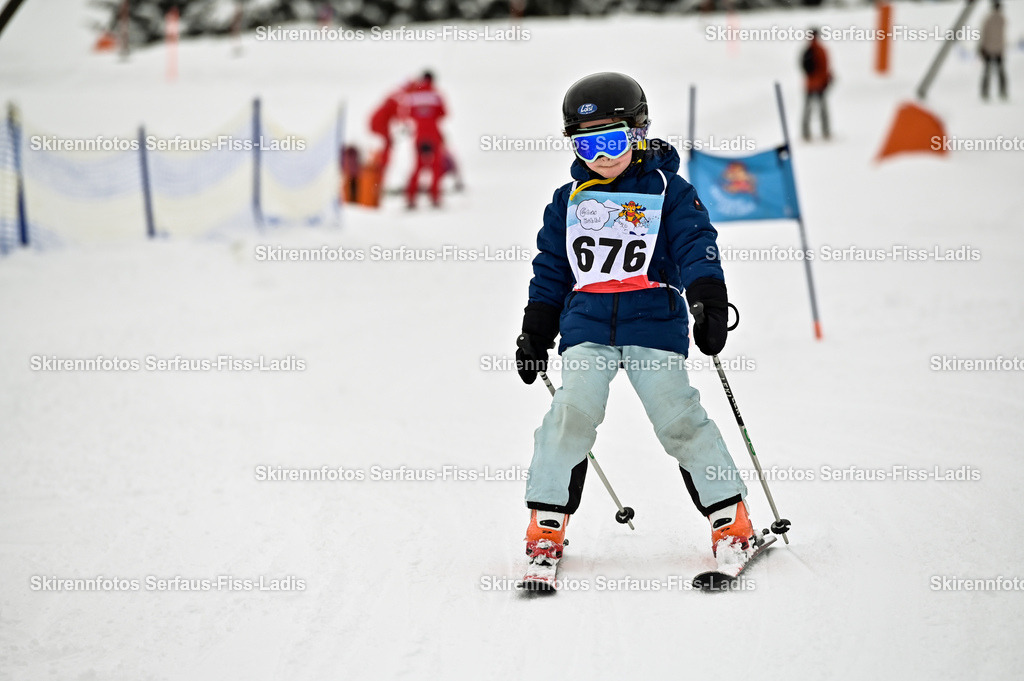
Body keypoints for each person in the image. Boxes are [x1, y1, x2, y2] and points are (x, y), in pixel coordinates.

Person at [514, 72, 753, 585]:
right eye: (587, 143)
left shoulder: (667, 188)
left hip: (654, 323)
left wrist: (709, 300)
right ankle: (546, 527)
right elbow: (551, 269)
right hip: (586, 326)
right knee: (568, 417)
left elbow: (695, 243)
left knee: (679, 420)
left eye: (612, 140)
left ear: (638, 132)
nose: (601, 156)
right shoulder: (568, 200)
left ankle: (730, 520)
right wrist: (535, 331)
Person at [400, 71, 447, 208]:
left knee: (417, 167)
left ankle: (410, 199)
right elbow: (444, 113)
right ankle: (435, 198)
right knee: (436, 167)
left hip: (419, 135)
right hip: (434, 135)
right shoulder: (436, 94)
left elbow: (407, 114)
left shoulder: (414, 95)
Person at [800, 29, 832, 141]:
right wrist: (826, 80)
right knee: (822, 109)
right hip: (819, 84)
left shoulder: (807, 50)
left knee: (807, 110)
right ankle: (825, 131)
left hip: (810, 84)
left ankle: (805, 133)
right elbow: (825, 66)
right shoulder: (820, 50)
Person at [979, 1, 1007, 101]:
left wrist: (981, 47)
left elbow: (983, 34)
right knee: (1001, 72)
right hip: (999, 49)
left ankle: (985, 92)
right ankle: (1003, 91)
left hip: (988, 49)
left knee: (987, 72)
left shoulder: (988, 18)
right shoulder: (1002, 19)